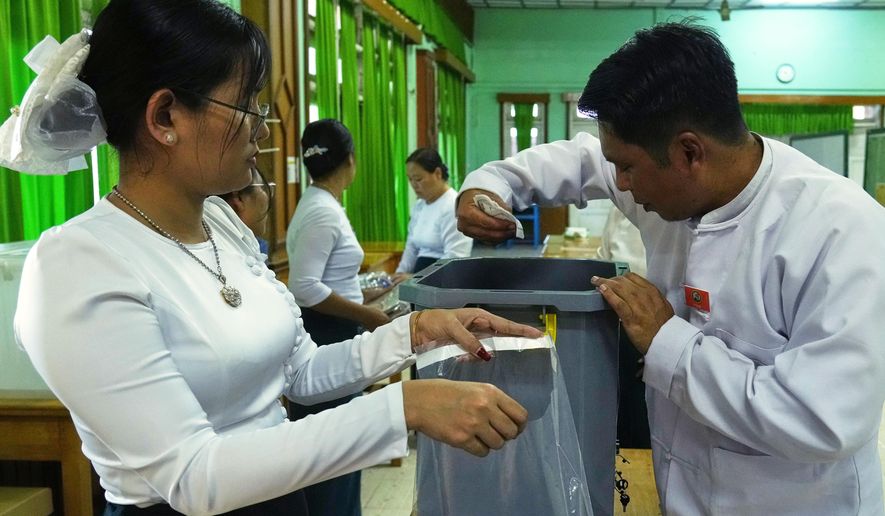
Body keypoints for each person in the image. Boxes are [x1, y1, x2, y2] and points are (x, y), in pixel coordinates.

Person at [7, 1, 544, 515]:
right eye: (247, 104)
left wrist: (418, 332)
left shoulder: (220, 224)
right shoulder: (79, 263)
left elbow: (301, 372)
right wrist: (404, 407)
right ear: (165, 114)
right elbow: (195, 477)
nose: (264, 126)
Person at [455, 21, 885, 515]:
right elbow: (577, 161)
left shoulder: (840, 232)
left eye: (627, 169)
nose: (618, 184)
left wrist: (667, 341)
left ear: (689, 152)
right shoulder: (666, 181)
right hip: (680, 494)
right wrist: (490, 185)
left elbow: (822, 420)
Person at [284, 119, 388, 516]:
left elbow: (331, 279)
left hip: (337, 329)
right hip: (326, 336)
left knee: (344, 449)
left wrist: (368, 294)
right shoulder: (322, 212)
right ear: (350, 160)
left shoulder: (320, 204)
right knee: (333, 452)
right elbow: (305, 287)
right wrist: (370, 315)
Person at [394, 148, 473, 277]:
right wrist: (400, 273)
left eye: (418, 179)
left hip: (443, 279)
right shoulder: (419, 206)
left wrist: (415, 278)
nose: (414, 185)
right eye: (410, 179)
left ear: (437, 173)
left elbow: (455, 257)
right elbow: (411, 247)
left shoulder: (454, 205)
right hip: (418, 276)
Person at [218, 167, 273, 255]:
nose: (267, 196)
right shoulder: (228, 258)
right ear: (239, 198)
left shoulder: (254, 248)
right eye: (263, 188)